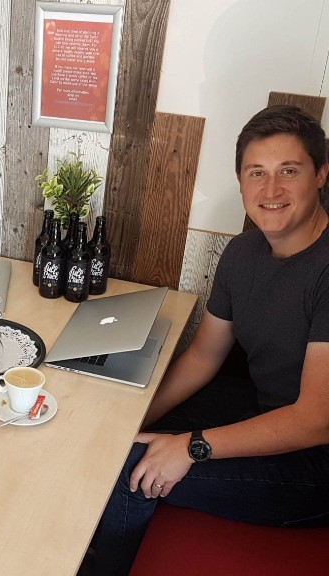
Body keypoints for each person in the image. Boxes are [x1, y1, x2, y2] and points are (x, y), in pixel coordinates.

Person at [87, 105, 329, 575]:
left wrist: (191, 446)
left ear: (320, 175)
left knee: (132, 466)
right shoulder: (242, 252)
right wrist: (132, 420)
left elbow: (316, 420)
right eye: (256, 173)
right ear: (240, 181)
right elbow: (203, 356)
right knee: (111, 420)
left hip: (315, 464)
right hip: (263, 409)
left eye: (289, 171)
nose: (271, 190)